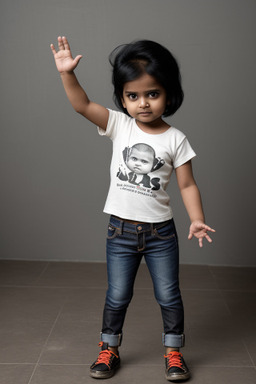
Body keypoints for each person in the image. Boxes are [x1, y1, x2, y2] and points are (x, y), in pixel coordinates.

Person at [50, 36, 215, 382]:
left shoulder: (175, 139)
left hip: (161, 234)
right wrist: (67, 74)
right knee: (118, 293)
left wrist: (197, 219)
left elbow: (186, 185)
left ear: (168, 94)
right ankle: (108, 348)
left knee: (168, 294)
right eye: (132, 95)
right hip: (120, 231)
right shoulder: (118, 125)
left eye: (152, 94)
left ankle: (173, 353)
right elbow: (82, 105)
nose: (143, 103)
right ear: (123, 98)